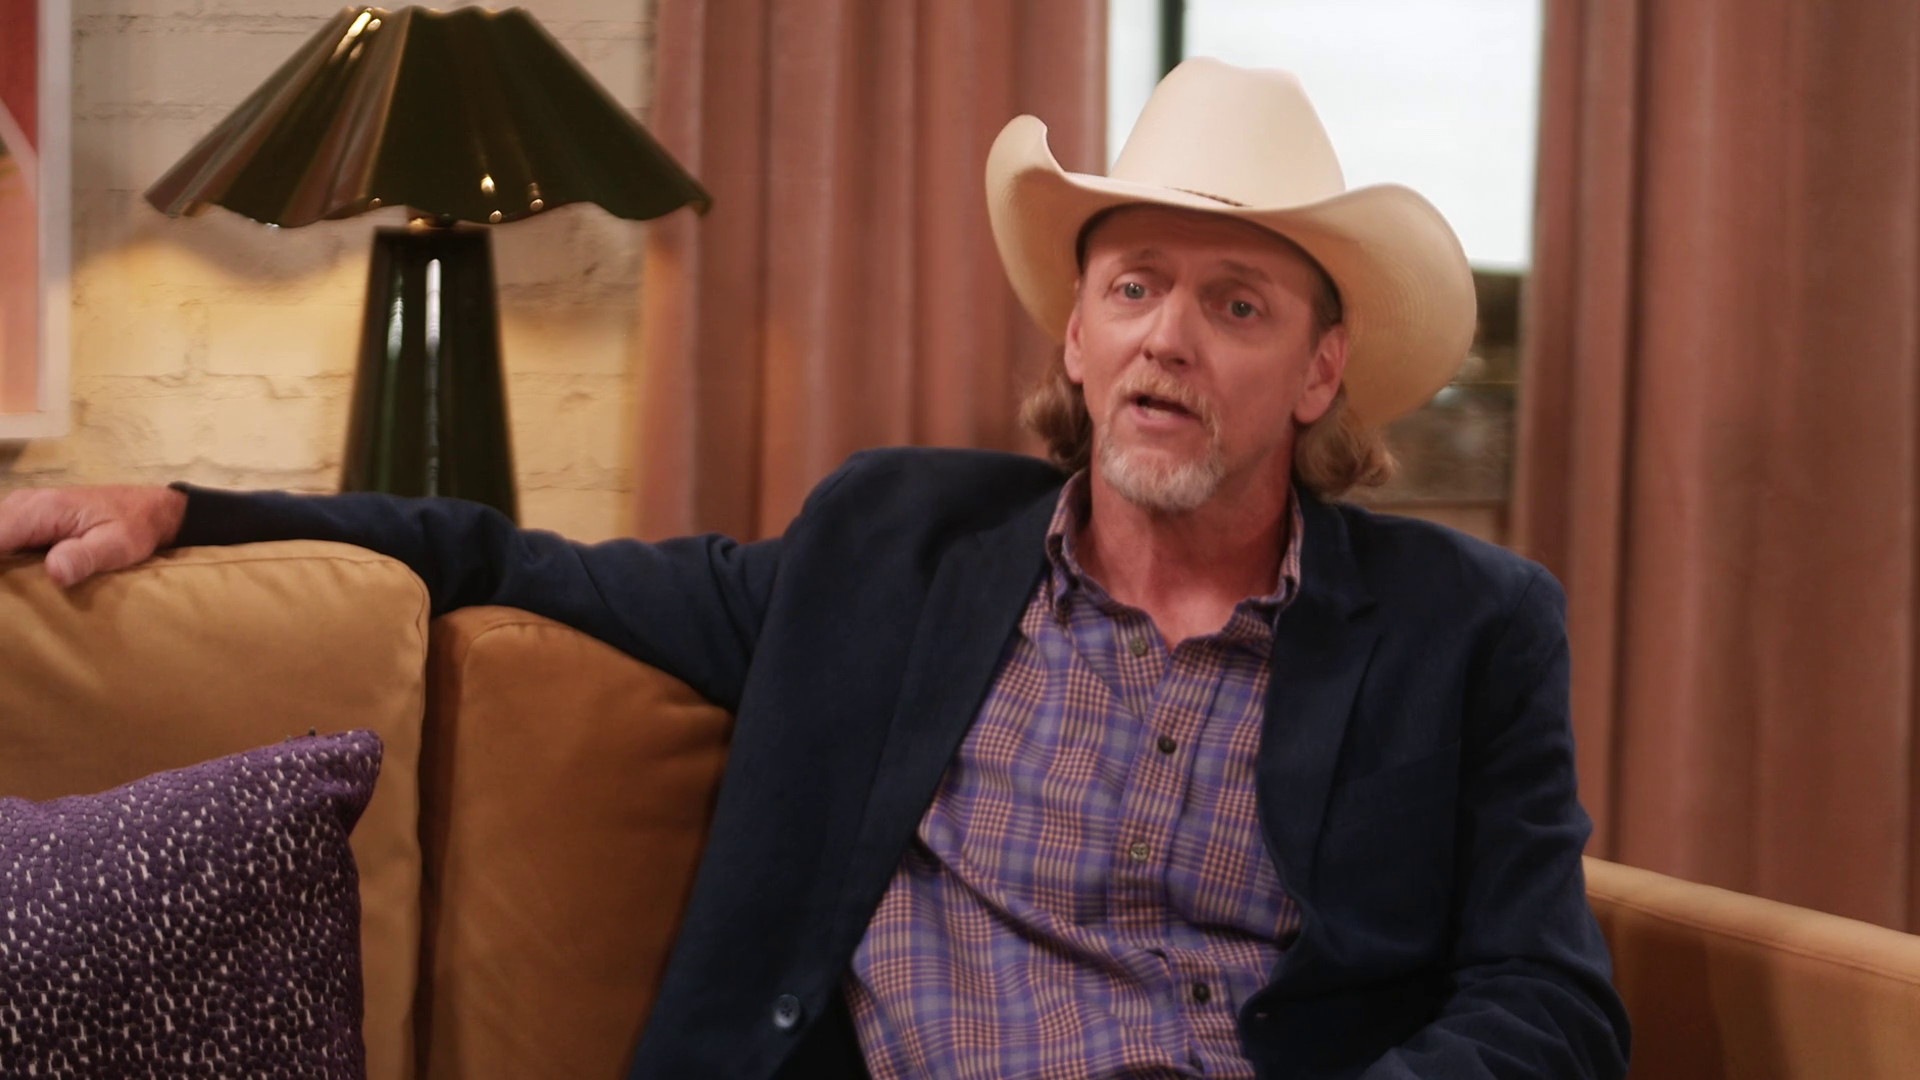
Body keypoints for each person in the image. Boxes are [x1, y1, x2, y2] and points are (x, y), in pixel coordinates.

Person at [0, 59, 1629, 1079]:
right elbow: (511, 560)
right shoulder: (889, 551)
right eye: (1135, 286)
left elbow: (1549, 1003)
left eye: (1238, 304)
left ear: (1321, 372)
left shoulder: (1471, 629)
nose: (1169, 340)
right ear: (1076, 333)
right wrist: (187, 507)